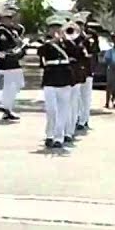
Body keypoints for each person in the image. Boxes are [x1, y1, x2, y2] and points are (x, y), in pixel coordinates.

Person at [39, 17, 73, 149]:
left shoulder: (68, 43)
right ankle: (49, 134)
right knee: (51, 110)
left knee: (63, 110)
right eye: (53, 28)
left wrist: (65, 39)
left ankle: (59, 137)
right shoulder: (46, 44)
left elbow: (76, 52)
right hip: (50, 79)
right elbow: (41, 53)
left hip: (65, 79)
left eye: (58, 28)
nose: (56, 30)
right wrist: (52, 41)